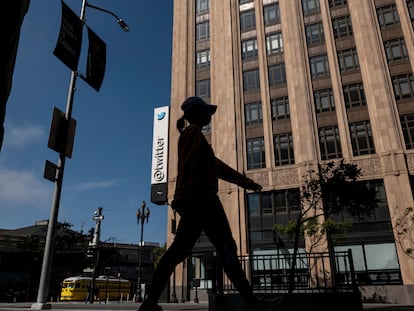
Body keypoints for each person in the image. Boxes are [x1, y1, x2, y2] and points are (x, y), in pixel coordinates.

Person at [138, 96, 283, 311]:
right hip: (202, 200)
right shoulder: (192, 133)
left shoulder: (195, 136)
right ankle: (252, 303)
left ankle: (150, 302)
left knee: (182, 251)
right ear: (197, 113)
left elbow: (217, 166)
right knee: (222, 247)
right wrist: (180, 197)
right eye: (207, 111)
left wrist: (246, 182)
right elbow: (186, 166)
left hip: (198, 200)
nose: (210, 115)